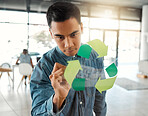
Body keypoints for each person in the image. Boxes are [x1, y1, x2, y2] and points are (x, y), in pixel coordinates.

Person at [30, 2, 107, 116]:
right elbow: (37, 113)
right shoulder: (44, 66)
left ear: (81, 28)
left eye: (73, 34)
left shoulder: (94, 57)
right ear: (51, 33)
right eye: (60, 37)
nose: (68, 44)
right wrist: (58, 99)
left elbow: (100, 94)